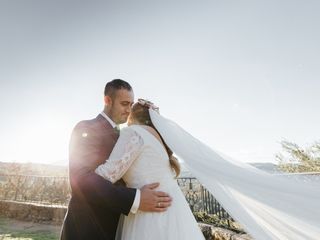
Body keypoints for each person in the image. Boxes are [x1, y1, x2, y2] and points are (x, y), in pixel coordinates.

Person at [60, 80, 172, 240]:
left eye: (131, 104)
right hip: (86, 229)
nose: (129, 110)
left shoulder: (129, 137)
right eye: (124, 104)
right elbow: (81, 180)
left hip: (118, 228)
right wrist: (136, 198)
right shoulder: (86, 128)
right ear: (107, 101)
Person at [95, 99, 205, 240]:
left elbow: (108, 174)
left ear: (131, 117)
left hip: (148, 213)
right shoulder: (158, 139)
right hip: (173, 211)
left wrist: (83, 176)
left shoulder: (133, 132)